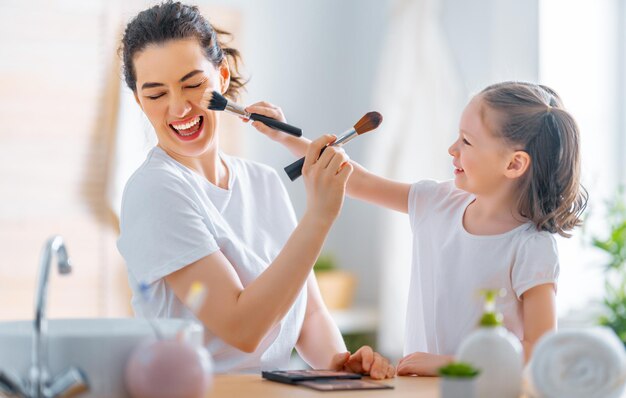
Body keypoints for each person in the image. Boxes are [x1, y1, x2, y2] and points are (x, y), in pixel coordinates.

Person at [116, 1, 395, 378]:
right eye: (156, 95)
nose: (178, 108)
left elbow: (309, 314)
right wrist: (320, 215)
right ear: (138, 101)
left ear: (222, 78)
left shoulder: (263, 182)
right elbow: (241, 328)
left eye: (193, 85)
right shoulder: (156, 192)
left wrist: (340, 365)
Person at [264, 81, 588, 375]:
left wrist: (450, 365)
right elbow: (355, 179)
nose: (452, 148)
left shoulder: (531, 247)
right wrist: (283, 135)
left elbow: (540, 354)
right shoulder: (437, 202)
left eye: (467, 141)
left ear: (514, 164)